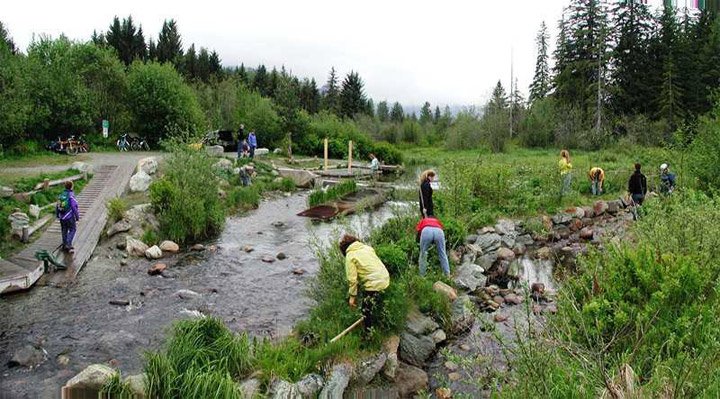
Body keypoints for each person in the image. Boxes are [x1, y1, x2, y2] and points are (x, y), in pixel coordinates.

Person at [339, 234, 390, 333]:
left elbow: (352, 280)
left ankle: (368, 334)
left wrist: (352, 297)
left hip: (374, 283)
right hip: (385, 278)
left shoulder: (350, 255)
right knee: (372, 299)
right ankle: (380, 313)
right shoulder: (367, 248)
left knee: (365, 310)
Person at [56, 181, 80, 253]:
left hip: (62, 216)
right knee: (73, 229)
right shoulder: (71, 195)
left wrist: (57, 214)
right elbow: (74, 206)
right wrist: (77, 216)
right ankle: (68, 244)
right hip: (69, 216)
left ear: (65, 186)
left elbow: (57, 206)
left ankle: (64, 244)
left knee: (64, 230)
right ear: (71, 187)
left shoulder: (61, 195)